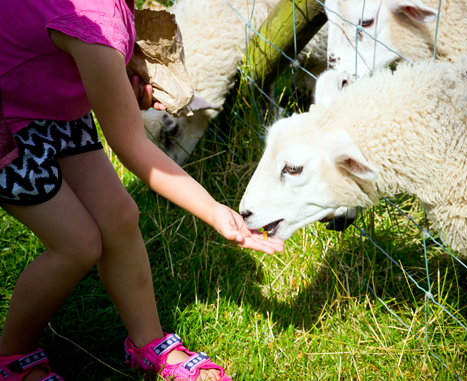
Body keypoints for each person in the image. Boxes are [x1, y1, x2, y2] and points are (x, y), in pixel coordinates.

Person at [0, 0, 284, 380]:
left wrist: (122, 75)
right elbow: (133, 146)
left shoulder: (104, 17)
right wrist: (214, 210)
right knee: (78, 245)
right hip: (8, 123)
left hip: (47, 102)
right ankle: (11, 355)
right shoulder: (94, 27)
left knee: (119, 217)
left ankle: (148, 343)